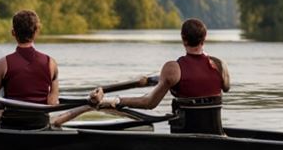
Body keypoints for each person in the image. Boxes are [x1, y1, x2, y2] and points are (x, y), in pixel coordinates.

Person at [91, 18, 230, 135]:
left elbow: (150, 103)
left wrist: (116, 100)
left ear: (183, 39)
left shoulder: (172, 69)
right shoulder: (220, 65)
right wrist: (162, 79)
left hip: (186, 136)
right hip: (215, 134)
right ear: (204, 39)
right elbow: (225, 87)